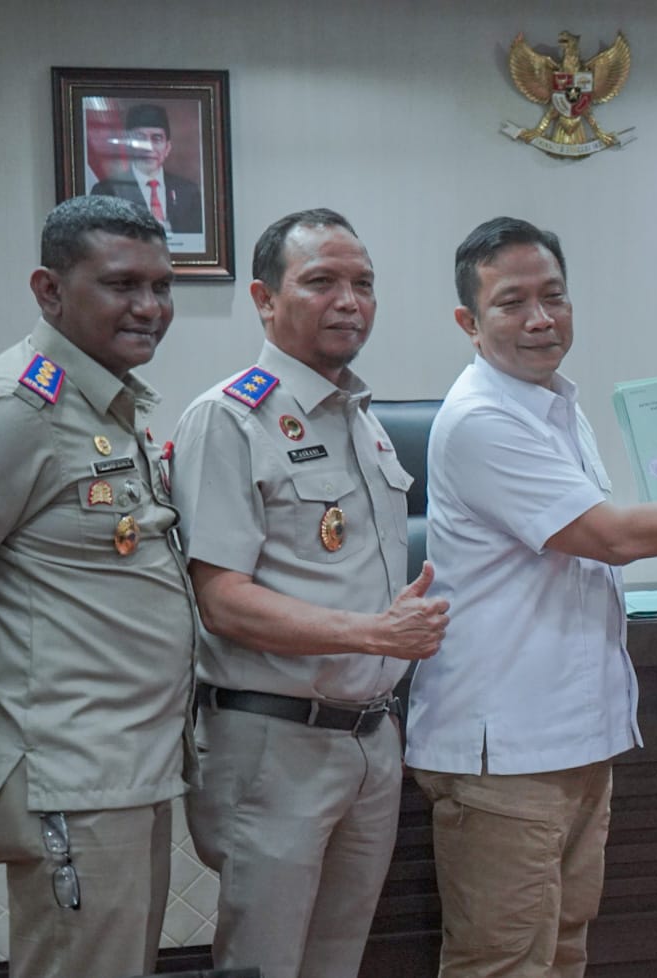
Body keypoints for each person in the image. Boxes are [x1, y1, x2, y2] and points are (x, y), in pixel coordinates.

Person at [405, 216, 657, 978]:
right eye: (512, 302)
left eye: (554, 296)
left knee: (564, 954)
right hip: (508, 752)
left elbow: (588, 541)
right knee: (502, 965)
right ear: (469, 321)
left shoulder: (553, 403)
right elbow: (610, 536)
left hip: (573, 738)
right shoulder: (484, 418)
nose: (540, 318)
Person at [170, 208, 449, 978]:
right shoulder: (231, 418)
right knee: (263, 964)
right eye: (321, 282)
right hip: (275, 742)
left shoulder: (363, 420)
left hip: (369, 739)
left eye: (364, 284)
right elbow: (222, 601)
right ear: (264, 299)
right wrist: (373, 635)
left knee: (338, 961)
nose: (349, 302)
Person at [0, 195, 193, 978]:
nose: (150, 307)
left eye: (161, 286)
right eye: (122, 285)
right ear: (49, 290)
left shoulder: (104, 400)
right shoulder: (15, 408)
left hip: (123, 768)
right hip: (69, 771)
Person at [92, 103, 203, 234]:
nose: (148, 147)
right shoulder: (106, 192)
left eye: (156, 139)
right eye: (140, 138)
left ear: (167, 148)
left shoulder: (189, 192)